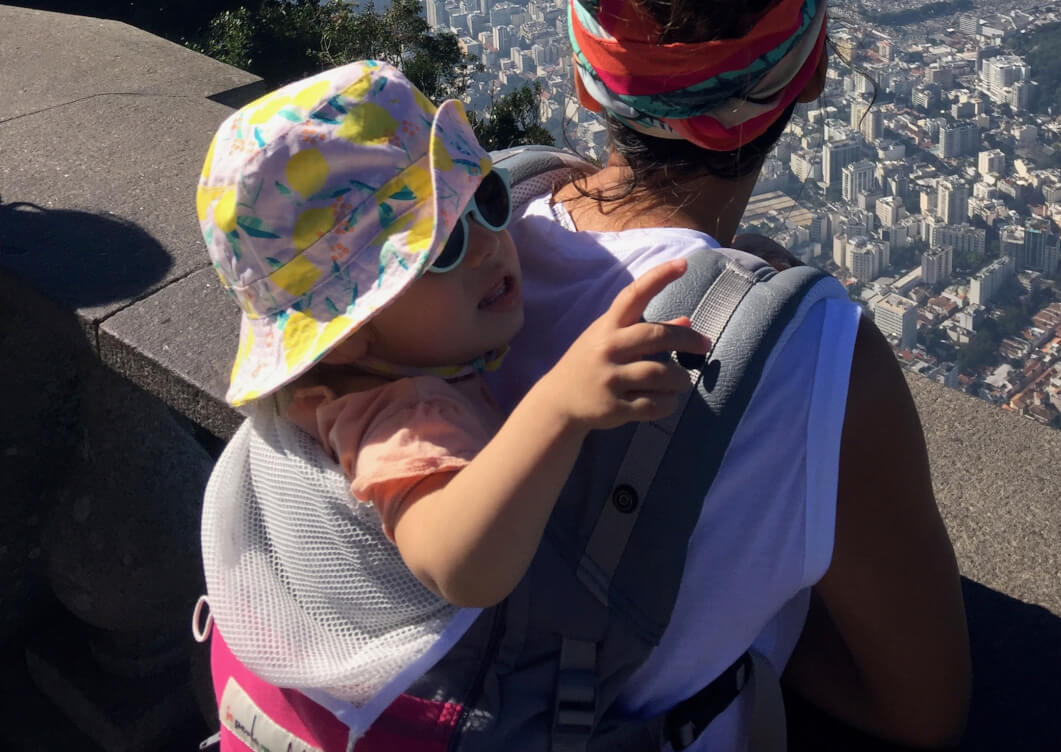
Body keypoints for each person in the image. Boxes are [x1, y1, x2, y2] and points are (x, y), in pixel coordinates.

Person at [489, 0, 971, 749]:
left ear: (592, 79)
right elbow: (923, 709)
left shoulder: (473, 223)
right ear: (812, 70)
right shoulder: (817, 364)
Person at [195, 60, 708, 740]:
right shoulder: (403, 418)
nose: (492, 247)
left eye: (485, 200)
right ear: (346, 335)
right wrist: (559, 406)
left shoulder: (332, 393)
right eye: (438, 246)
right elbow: (463, 568)